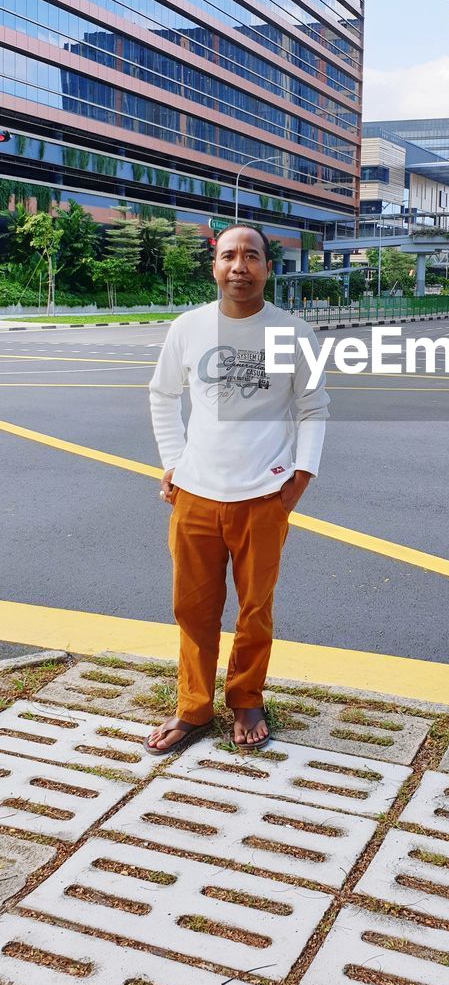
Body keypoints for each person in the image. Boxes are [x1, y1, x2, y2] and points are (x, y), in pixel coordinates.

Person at [145, 224, 329, 755]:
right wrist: (174, 462)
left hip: (263, 497)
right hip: (195, 497)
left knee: (255, 609)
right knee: (192, 608)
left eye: (252, 256)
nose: (240, 266)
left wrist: (301, 477)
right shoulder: (188, 327)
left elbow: (314, 408)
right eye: (229, 256)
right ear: (215, 266)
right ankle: (193, 707)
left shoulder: (296, 333)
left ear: (268, 268)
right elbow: (162, 395)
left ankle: (247, 697)